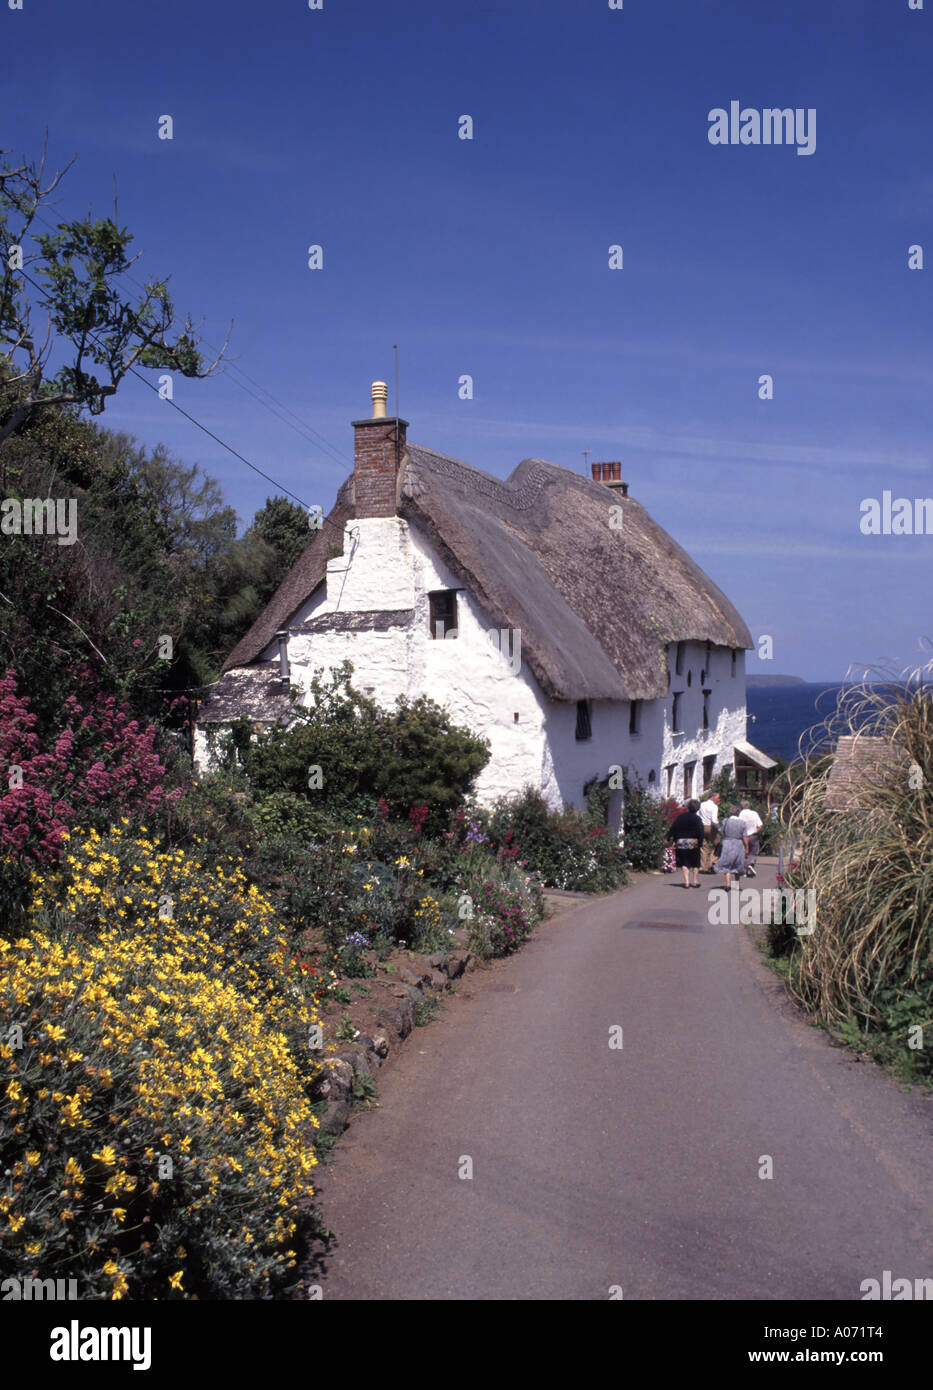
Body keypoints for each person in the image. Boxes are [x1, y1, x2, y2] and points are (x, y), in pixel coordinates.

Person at [666, 798, 706, 889]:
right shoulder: (697, 819)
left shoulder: (680, 817)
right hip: (693, 842)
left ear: (687, 807)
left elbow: (673, 828)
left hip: (681, 842)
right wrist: (700, 842)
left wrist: (668, 838)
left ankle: (687, 881)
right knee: (695, 862)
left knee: (685, 862)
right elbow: (701, 831)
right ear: (697, 809)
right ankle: (695, 881)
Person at [716, 805, 749, 889]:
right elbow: (745, 836)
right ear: (738, 813)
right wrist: (747, 847)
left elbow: (721, 831)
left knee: (727, 864)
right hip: (738, 844)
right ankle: (737, 885)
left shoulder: (725, 821)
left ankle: (728, 884)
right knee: (738, 864)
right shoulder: (742, 823)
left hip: (727, 843)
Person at [738, 799, 763, 877]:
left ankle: (744, 869)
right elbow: (760, 826)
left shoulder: (740, 814)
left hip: (743, 836)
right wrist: (755, 832)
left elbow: (738, 825)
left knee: (743, 853)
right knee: (753, 852)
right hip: (753, 835)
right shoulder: (754, 813)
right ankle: (750, 865)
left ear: (741, 806)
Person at [698, 793, 720, 873]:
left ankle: (702, 867)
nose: (718, 800)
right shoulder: (714, 807)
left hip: (702, 826)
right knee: (717, 845)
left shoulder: (702, 804)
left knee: (703, 847)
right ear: (713, 797)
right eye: (717, 798)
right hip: (711, 827)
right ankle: (712, 863)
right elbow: (714, 820)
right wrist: (719, 829)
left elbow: (698, 815)